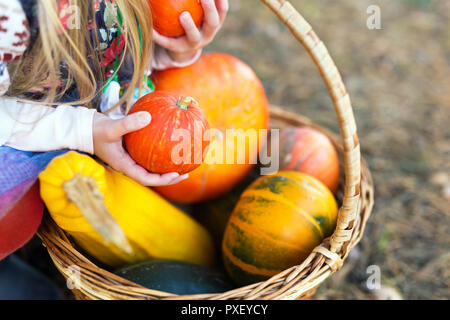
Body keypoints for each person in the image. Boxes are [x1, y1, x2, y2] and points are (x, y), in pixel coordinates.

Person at [0, 0, 228, 297]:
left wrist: (167, 49)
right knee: (14, 216)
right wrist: (84, 131)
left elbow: (105, 41)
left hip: (76, 122)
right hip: (18, 134)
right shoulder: (11, 15)